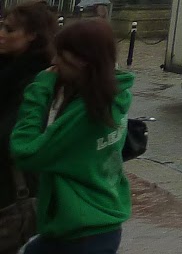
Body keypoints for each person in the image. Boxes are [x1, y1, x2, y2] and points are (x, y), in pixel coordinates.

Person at [11, 20, 132, 253]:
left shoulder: (86, 115)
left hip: (79, 232)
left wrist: (39, 91)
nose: (54, 63)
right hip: (100, 224)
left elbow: (25, 152)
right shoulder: (114, 96)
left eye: (62, 58)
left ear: (83, 61)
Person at [0, 2, 58, 250]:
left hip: (14, 188)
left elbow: (11, 137)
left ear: (33, 35)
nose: (1, 34)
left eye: (9, 30)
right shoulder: (6, 68)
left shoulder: (37, 80)